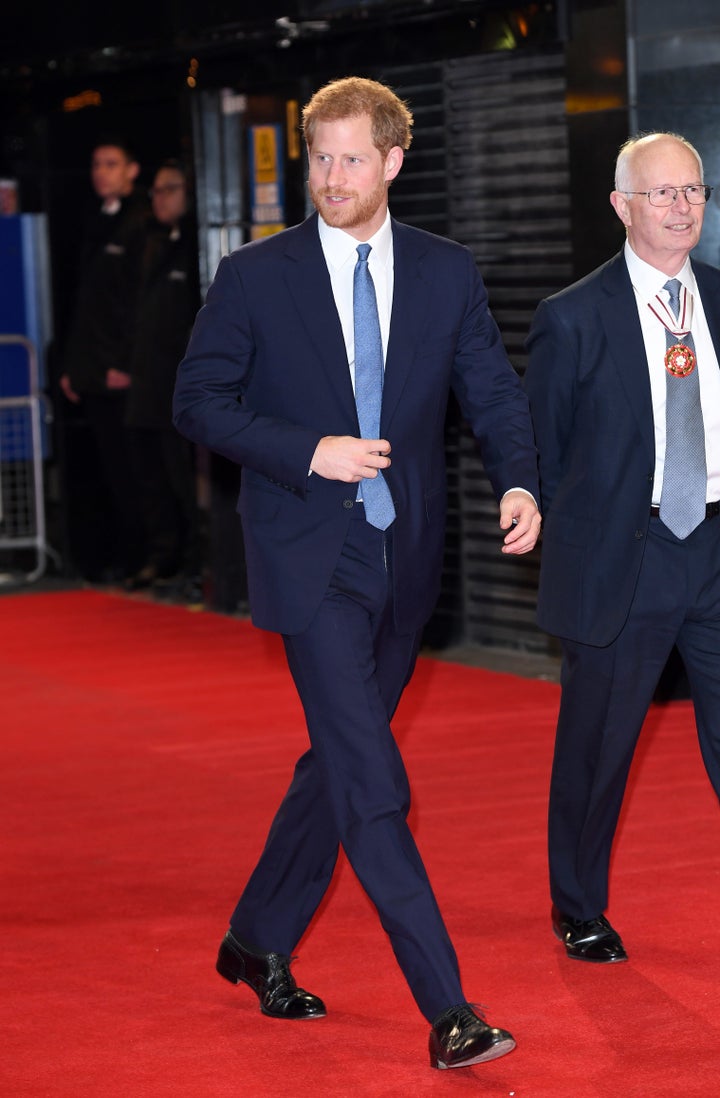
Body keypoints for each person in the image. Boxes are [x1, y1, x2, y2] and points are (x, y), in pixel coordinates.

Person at [173, 76, 541, 1070]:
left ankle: (254, 941)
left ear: (391, 161)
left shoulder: (445, 271)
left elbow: (492, 390)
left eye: (349, 159)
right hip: (308, 558)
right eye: (318, 159)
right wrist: (309, 449)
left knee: (334, 761)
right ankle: (448, 1007)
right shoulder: (256, 274)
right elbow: (198, 400)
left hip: (405, 557)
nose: (331, 178)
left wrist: (519, 482)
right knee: (375, 781)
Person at [524, 132, 720, 964]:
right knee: (598, 747)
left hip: (713, 545)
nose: (681, 207)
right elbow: (545, 451)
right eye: (662, 193)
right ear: (621, 206)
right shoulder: (571, 317)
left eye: (694, 191)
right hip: (622, 556)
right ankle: (578, 905)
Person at [60, 137, 149, 581]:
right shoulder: (94, 222)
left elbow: (136, 306)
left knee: (134, 469)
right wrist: (73, 368)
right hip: (92, 371)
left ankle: (145, 556)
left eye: (111, 163)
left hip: (122, 375)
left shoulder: (140, 224)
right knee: (108, 469)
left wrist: (125, 365)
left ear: (132, 171)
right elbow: (86, 304)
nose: (101, 172)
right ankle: (118, 556)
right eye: (96, 164)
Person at [125, 160, 203, 596]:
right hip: (149, 384)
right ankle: (164, 558)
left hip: (181, 388)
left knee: (184, 480)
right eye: (154, 191)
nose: (159, 198)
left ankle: (194, 564)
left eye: (168, 189)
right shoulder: (153, 245)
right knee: (152, 478)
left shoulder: (197, 249)